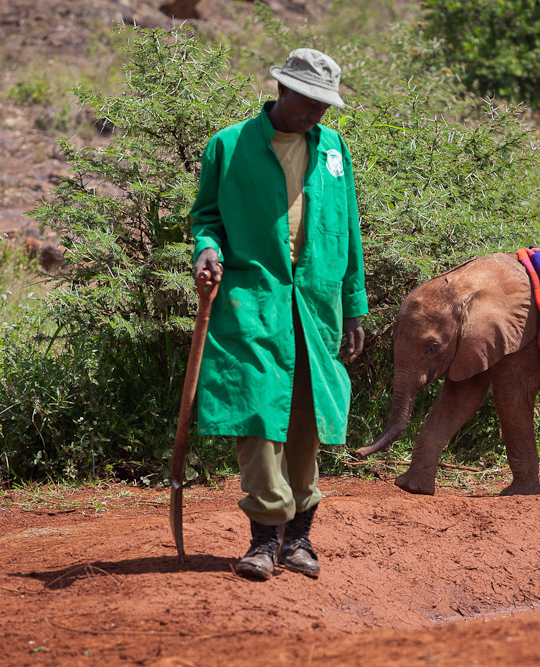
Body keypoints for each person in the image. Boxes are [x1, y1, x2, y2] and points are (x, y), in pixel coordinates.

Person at [189, 48, 368, 581]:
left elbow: (349, 231)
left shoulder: (334, 149)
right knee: (259, 411)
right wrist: (205, 248)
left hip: (317, 302)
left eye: (324, 105)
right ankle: (266, 537)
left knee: (308, 418)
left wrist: (354, 307)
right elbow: (207, 217)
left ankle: (300, 539)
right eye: (309, 100)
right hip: (253, 298)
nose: (316, 113)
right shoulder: (229, 145)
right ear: (282, 90)